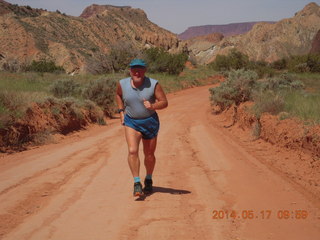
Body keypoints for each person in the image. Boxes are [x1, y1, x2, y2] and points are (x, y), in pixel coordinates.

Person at [116, 59, 168, 197]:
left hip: (150, 122)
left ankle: (149, 178)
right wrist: (121, 113)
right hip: (131, 122)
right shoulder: (122, 84)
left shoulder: (153, 84)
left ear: (145, 70)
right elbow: (118, 95)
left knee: (149, 155)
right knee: (132, 151)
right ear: (130, 70)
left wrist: (153, 106)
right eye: (134, 69)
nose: (137, 72)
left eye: (140, 69)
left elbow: (164, 102)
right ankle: (137, 183)